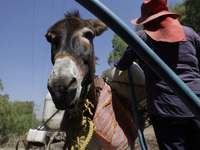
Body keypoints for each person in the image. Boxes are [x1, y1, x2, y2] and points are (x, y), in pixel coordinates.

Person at [114, 0, 200, 149]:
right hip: (196, 102)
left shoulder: (140, 38)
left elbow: (123, 65)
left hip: (165, 108)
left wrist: (117, 61)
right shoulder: (190, 33)